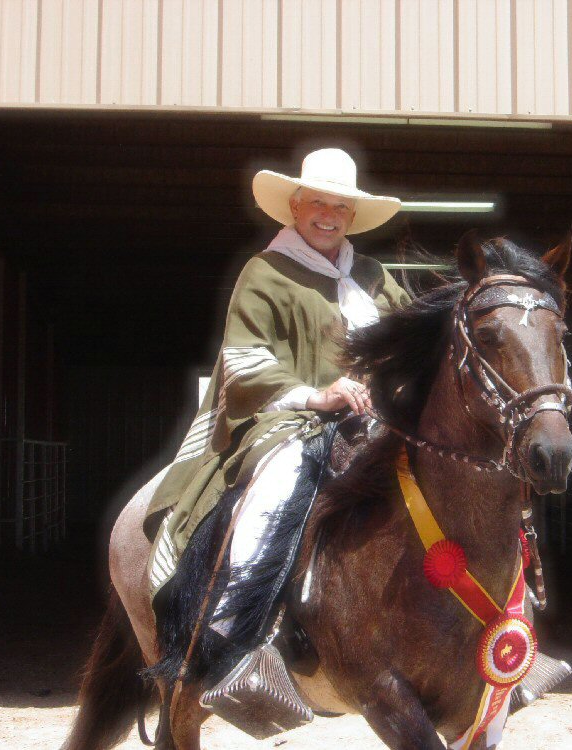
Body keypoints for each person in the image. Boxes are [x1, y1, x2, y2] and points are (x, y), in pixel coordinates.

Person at [143, 147, 410, 652]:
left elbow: (408, 335)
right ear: (295, 207)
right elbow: (243, 360)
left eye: (339, 208)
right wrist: (319, 395)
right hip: (290, 419)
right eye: (317, 204)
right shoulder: (265, 272)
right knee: (280, 483)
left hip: (375, 417)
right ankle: (237, 629)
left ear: (352, 216)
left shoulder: (373, 275)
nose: (328, 217)